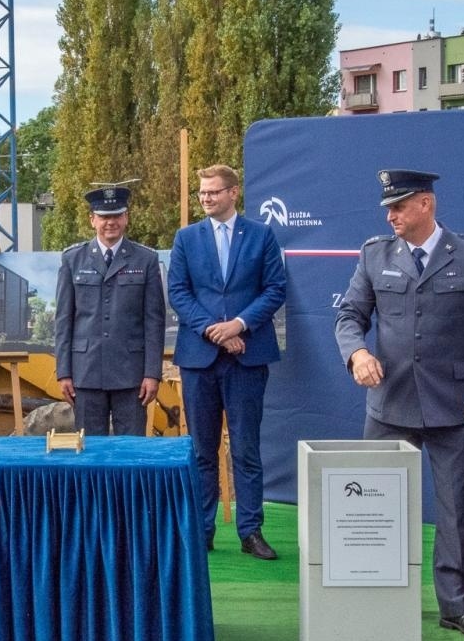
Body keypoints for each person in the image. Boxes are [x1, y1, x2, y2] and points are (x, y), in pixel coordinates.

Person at [334, 169, 464, 638]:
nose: (391, 215)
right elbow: (349, 315)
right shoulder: (374, 255)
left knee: (457, 508)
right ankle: (371, 594)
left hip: (453, 406)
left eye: (399, 206)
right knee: (371, 506)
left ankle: (457, 606)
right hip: (389, 404)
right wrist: (357, 352)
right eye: (387, 208)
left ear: (426, 204)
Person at [167, 165, 288, 559]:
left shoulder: (262, 235)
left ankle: (250, 531)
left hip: (248, 357)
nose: (205, 199)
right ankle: (202, 531)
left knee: (246, 449)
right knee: (202, 451)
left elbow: (274, 289)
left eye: (213, 192)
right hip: (199, 359)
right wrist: (213, 330)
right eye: (201, 193)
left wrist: (238, 325)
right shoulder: (186, 238)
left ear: (233, 193)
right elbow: (179, 293)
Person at [54, 186, 165, 436]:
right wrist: (64, 372)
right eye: (104, 216)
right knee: (90, 454)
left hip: (132, 376)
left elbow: (154, 321)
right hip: (86, 373)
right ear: (92, 220)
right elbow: (63, 321)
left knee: (131, 453)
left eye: (117, 215)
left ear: (126, 218)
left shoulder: (145, 260)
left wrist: (152, 373)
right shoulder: (73, 259)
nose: (111, 222)